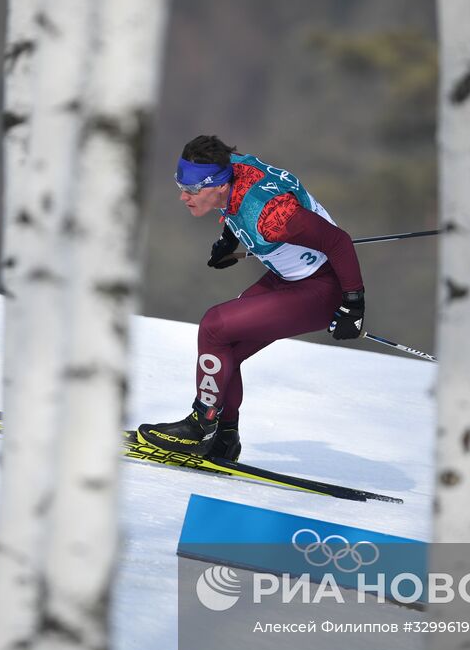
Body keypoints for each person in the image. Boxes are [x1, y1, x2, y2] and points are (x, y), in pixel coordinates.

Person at [137, 134, 365, 462]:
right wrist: (229, 239)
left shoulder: (273, 216)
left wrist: (353, 304)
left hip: (321, 289)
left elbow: (339, 242)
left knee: (215, 326)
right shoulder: (229, 169)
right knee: (224, 347)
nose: (183, 196)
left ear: (216, 184)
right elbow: (236, 203)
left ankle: (201, 426)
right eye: (180, 185)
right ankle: (225, 437)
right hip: (287, 277)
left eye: (191, 190)